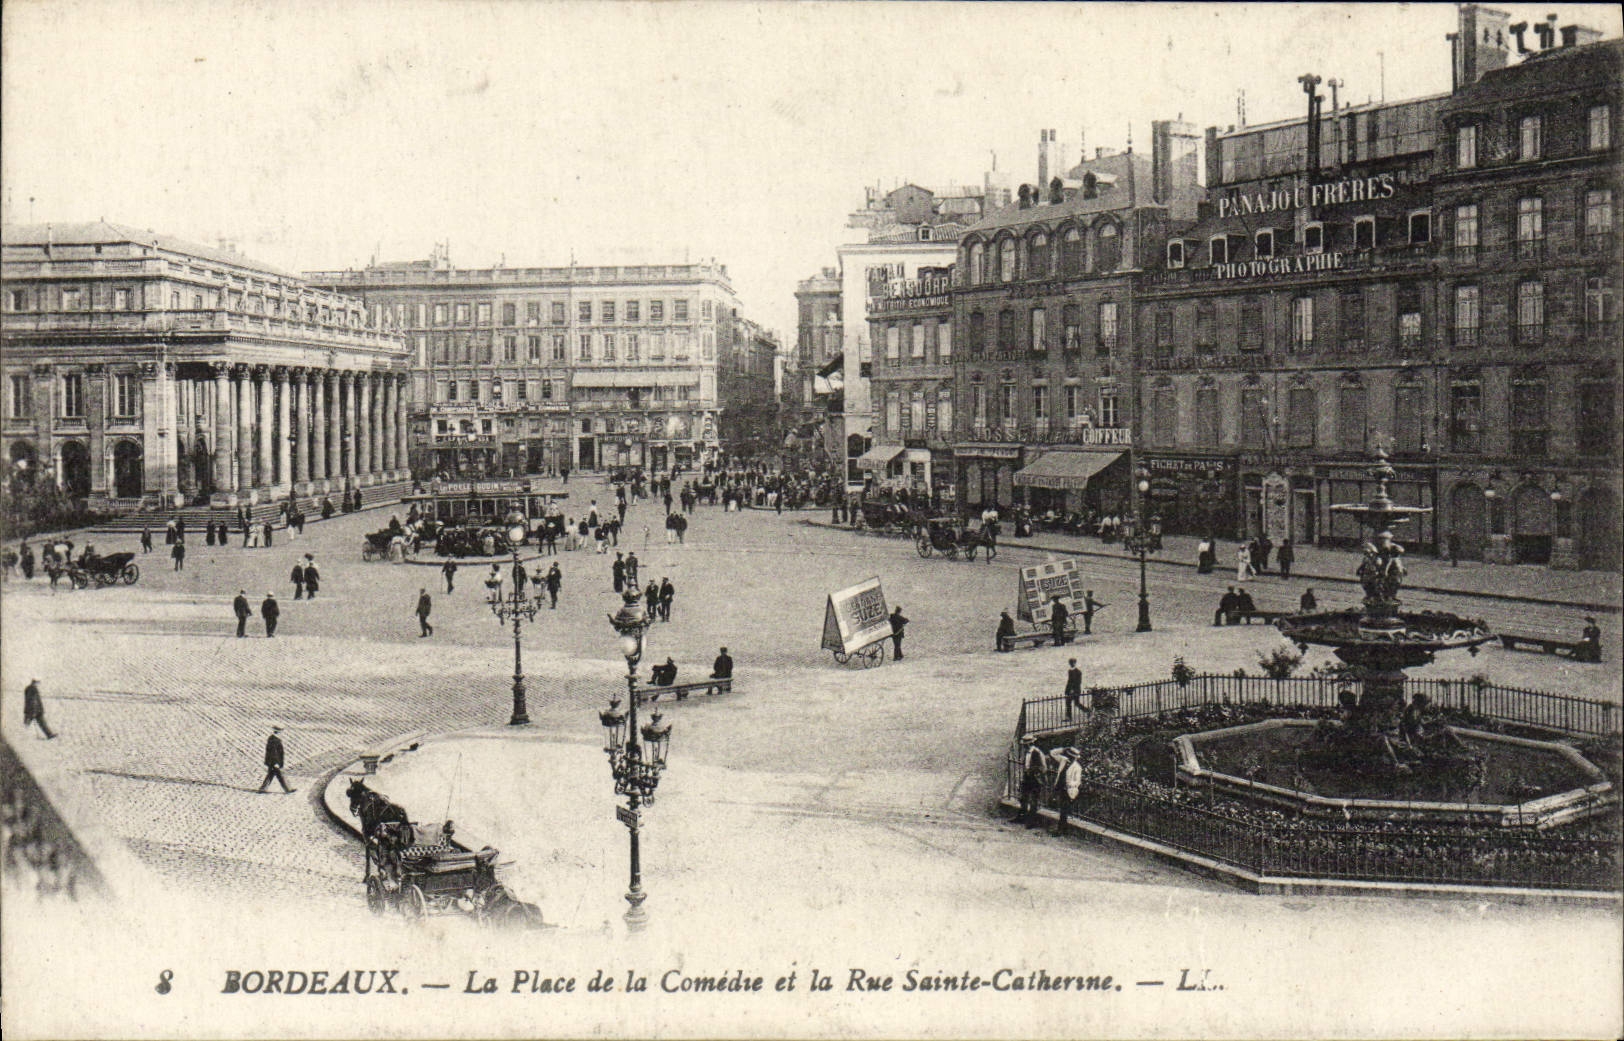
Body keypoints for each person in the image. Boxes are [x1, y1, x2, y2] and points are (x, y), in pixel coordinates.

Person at [1017, 738, 1047, 827]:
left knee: (1034, 800)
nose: (1024, 747)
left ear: (1029, 744)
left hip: (1035, 778)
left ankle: (1032, 821)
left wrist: (1033, 771)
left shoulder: (1037, 753)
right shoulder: (1027, 752)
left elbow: (1043, 768)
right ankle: (1021, 817)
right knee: (1023, 797)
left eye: (1025, 745)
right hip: (1027, 777)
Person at [257, 727, 295, 794]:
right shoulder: (274, 740)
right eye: (281, 732)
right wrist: (276, 763)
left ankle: (262, 789)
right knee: (281, 775)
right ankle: (288, 789)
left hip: (273, 761)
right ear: (278, 732)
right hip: (274, 762)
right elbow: (273, 753)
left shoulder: (273, 739)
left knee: (270, 775)